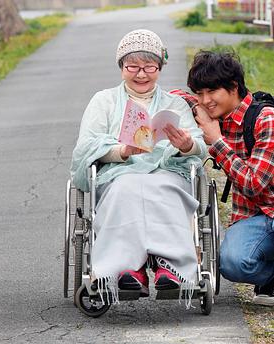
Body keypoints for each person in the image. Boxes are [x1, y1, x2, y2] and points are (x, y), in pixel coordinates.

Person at [70, 29, 207, 302]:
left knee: (163, 187)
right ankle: (126, 269)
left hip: (166, 172)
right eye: (133, 66)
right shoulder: (103, 101)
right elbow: (85, 147)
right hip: (120, 174)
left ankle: (170, 266)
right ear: (121, 67)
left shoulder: (175, 104)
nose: (141, 74)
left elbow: (200, 146)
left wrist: (186, 145)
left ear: (160, 68)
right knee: (128, 188)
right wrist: (122, 150)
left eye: (149, 67)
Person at [187, 51, 274, 312]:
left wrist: (217, 141)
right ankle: (270, 275)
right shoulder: (216, 115)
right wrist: (190, 104)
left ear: (234, 87)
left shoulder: (267, 119)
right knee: (231, 264)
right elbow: (180, 97)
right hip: (252, 217)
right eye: (199, 93)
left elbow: (252, 184)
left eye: (211, 91)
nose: (205, 100)